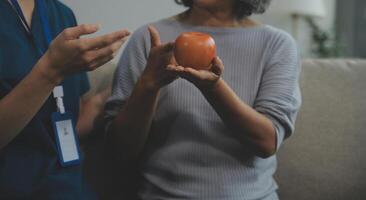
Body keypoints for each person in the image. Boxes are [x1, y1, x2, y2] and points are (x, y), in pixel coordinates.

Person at [104, 0, 301, 199]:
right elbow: (120, 149)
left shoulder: (277, 44)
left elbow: (267, 142)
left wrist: (213, 88)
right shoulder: (149, 39)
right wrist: (149, 84)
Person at [0, 0, 129, 199]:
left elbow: (69, 124)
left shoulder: (62, 14)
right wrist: (50, 73)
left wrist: (111, 98)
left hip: (69, 188)